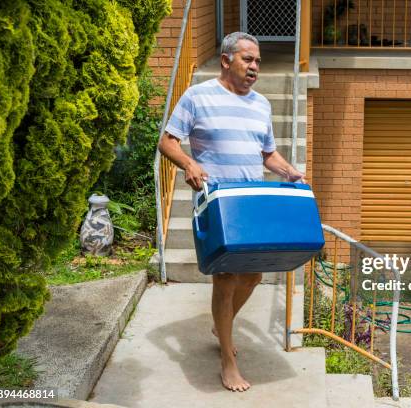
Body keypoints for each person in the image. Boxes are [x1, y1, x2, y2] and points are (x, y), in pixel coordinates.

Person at [158, 32, 306, 392]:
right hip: (218, 203)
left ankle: (220, 326)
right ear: (226, 61)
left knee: (254, 275)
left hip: (250, 202)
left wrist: (289, 171)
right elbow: (167, 140)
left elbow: (266, 153)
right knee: (225, 281)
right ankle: (228, 359)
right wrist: (189, 165)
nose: (255, 66)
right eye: (248, 60)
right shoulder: (198, 96)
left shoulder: (261, 105)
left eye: (257, 61)